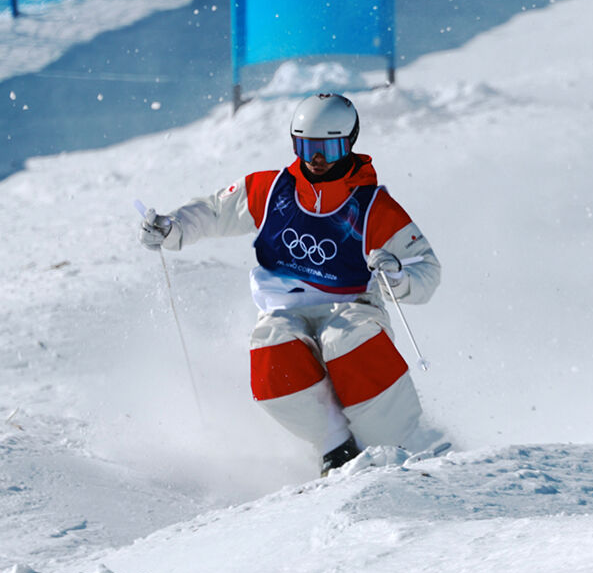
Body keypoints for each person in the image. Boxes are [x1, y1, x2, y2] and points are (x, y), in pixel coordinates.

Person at [139, 93, 443, 476]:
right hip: (286, 307)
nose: (317, 159)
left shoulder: (372, 207)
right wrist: (173, 228)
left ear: (349, 143)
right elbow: (215, 211)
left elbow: (427, 270)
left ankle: (400, 441)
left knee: (345, 341)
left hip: (351, 305)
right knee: (271, 348)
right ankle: (336, 448)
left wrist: (397, 275)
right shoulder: (271, 190)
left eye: (329, 148)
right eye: (307, 147)